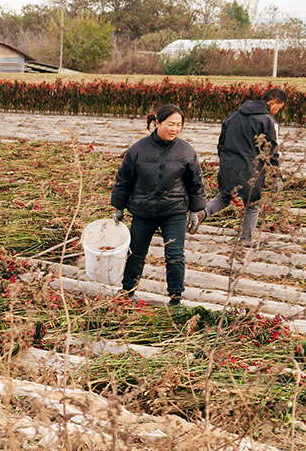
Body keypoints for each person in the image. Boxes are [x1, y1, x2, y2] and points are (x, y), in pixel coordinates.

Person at [110, 104, 207, 307]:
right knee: (136, 254)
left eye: (178, 125)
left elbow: (196, 183)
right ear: (157, 123)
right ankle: (128, 290)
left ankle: (176, 297)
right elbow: (124, 180)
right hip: (143, 210)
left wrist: (195, 212)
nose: (174, 129)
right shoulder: (138, 149)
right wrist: (118, 207)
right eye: (170, 124)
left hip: (174, 211)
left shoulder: (186, 151)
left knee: (174, 255)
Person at [202, 88, 287, 246]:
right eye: (279, 107)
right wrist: (276, 175)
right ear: (273, 102)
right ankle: (246, 240)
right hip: (250, 169)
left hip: (228, 165)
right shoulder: (267, 121)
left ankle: (203, 212)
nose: (277, 111)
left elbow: (221, 142)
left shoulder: (234, 116)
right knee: (252, 205)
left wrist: (226, 160)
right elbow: (272, 151)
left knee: (224, 196)